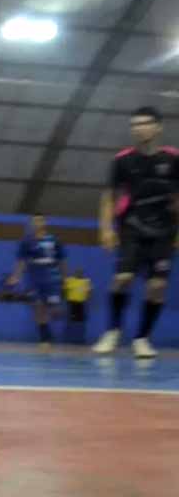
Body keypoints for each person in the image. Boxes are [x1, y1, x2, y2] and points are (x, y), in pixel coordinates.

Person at [93, 107, 179, 359]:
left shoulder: (173, 158)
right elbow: (109, 196)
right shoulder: (122, 160)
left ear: (158, 127)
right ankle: (112, 331)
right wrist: (106, 229)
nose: (139, 128)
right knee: (123, 278)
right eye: (135, 124)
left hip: (164, 230)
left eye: (145, 123)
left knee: (157, 286)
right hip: (132, 227)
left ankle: (142, 339)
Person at [7, 213, 67, 352]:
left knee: (55, 310)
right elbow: (21, 261)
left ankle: (53, 321)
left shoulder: (54, 240)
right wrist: (16, 276)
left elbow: (62, 261)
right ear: (32, 224)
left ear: (45, 222)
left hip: (52, 277)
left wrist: (65, 277)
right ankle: (45, 338)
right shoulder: (27, 241)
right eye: (35, 221)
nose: (38, 223)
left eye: (41, 220)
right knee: (38, 307)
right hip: (35, 277)